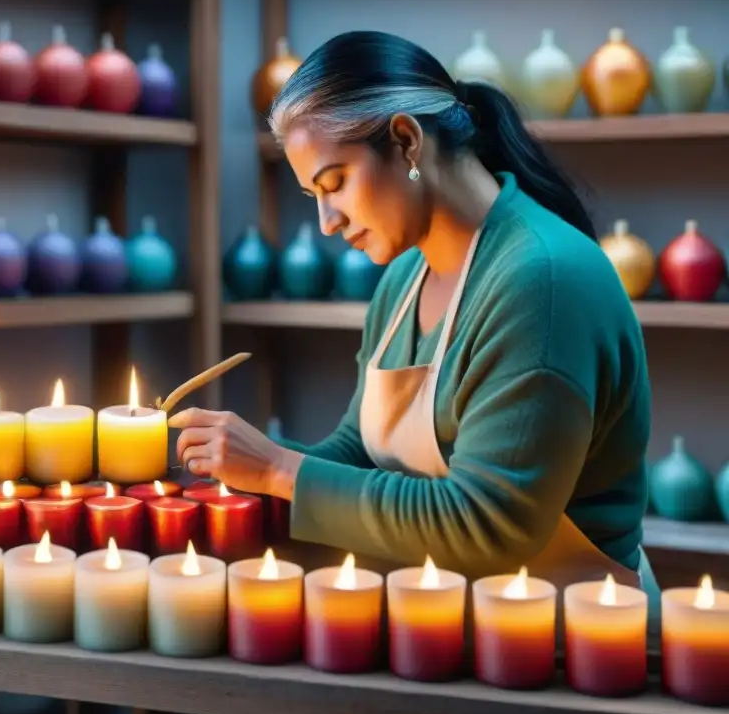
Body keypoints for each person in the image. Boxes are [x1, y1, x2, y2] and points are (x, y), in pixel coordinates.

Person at [170, 30, 659, 621]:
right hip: (452, 624)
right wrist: (236, 467)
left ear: (405, 141)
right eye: (311, 196)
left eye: (334, 184)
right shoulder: (405, 278)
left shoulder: (542, 279)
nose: (326, 223)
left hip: (576, 641)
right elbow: (361, 455)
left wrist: (277, 468)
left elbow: (489, 526)